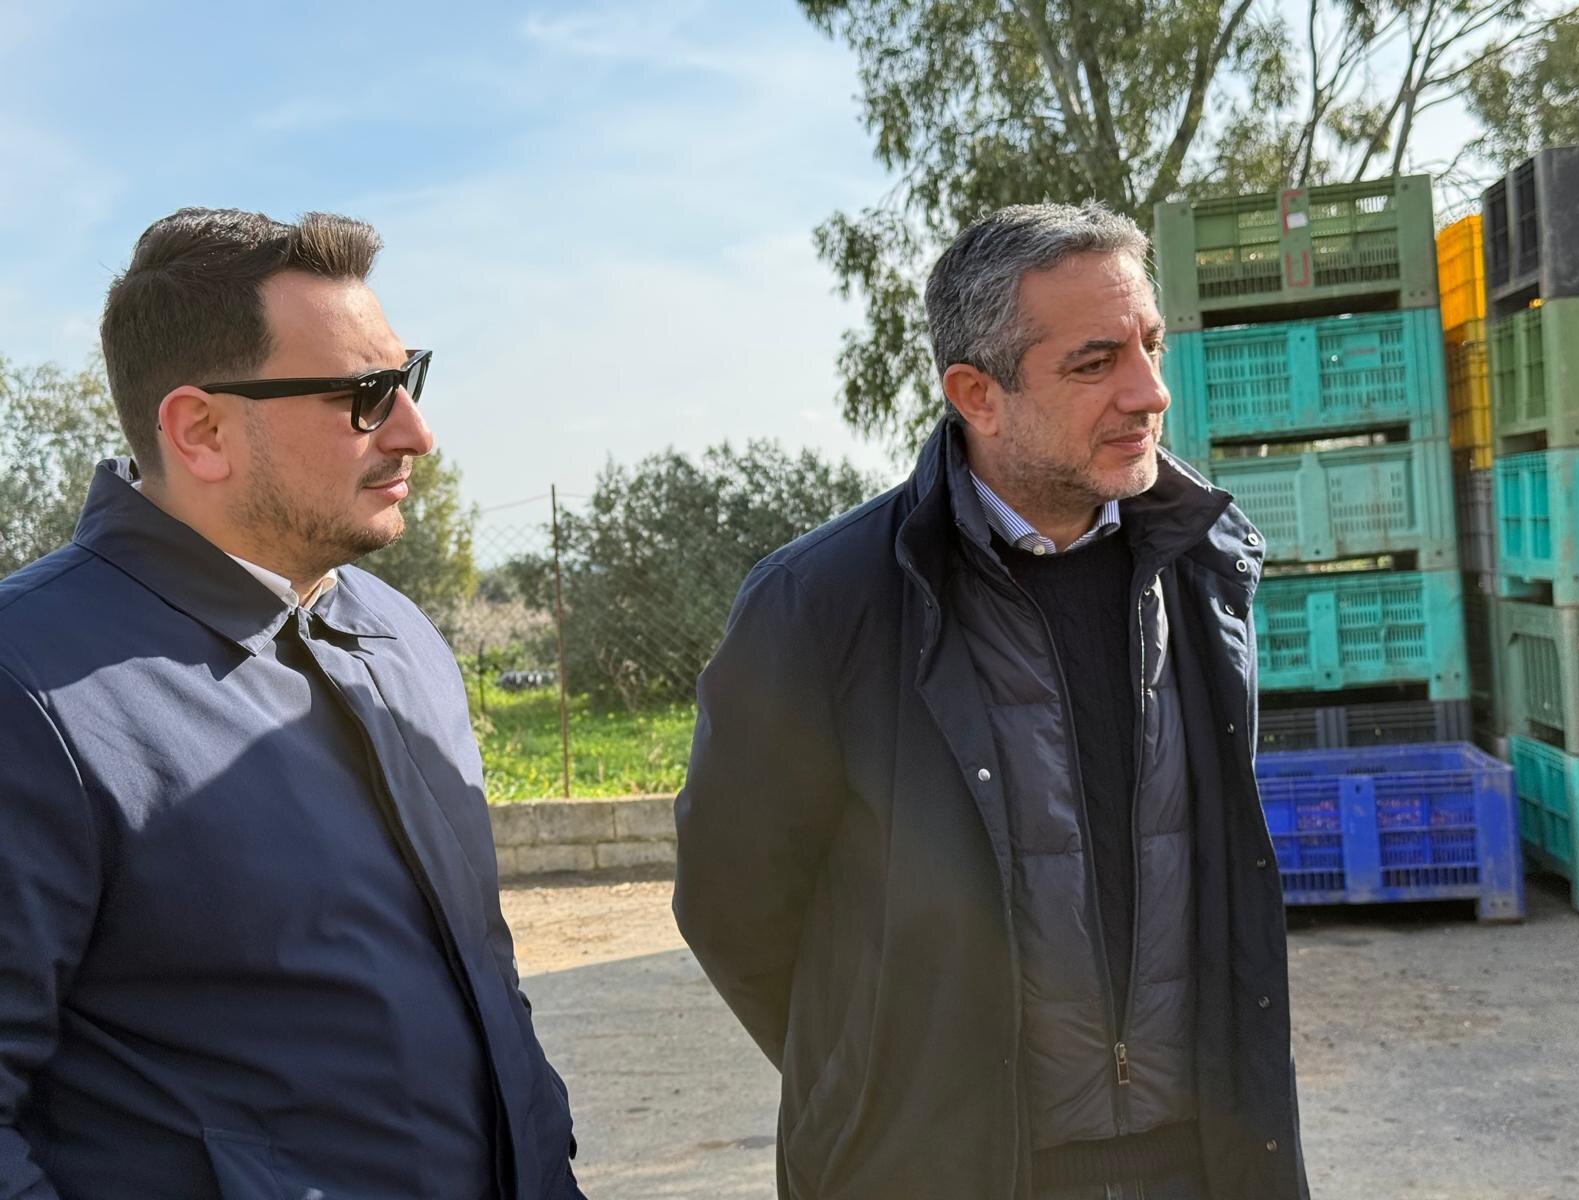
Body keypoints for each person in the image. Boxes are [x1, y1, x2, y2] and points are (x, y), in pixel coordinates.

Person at [674, 202, 1309, 1200]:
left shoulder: (1205, 566)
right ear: (977, 394)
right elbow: (733, 907)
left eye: (1151, 345)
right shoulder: (822, 605)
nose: (1150, 393)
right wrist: (875, 1083)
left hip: (1199, 1163)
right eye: (1095, 362)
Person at [0, 208, 582, 1199]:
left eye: (408, 379)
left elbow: (480, 992)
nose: (415, 431)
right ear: (201, 429)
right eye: (362, 396)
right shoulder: (26, 684)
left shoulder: (401, 639)